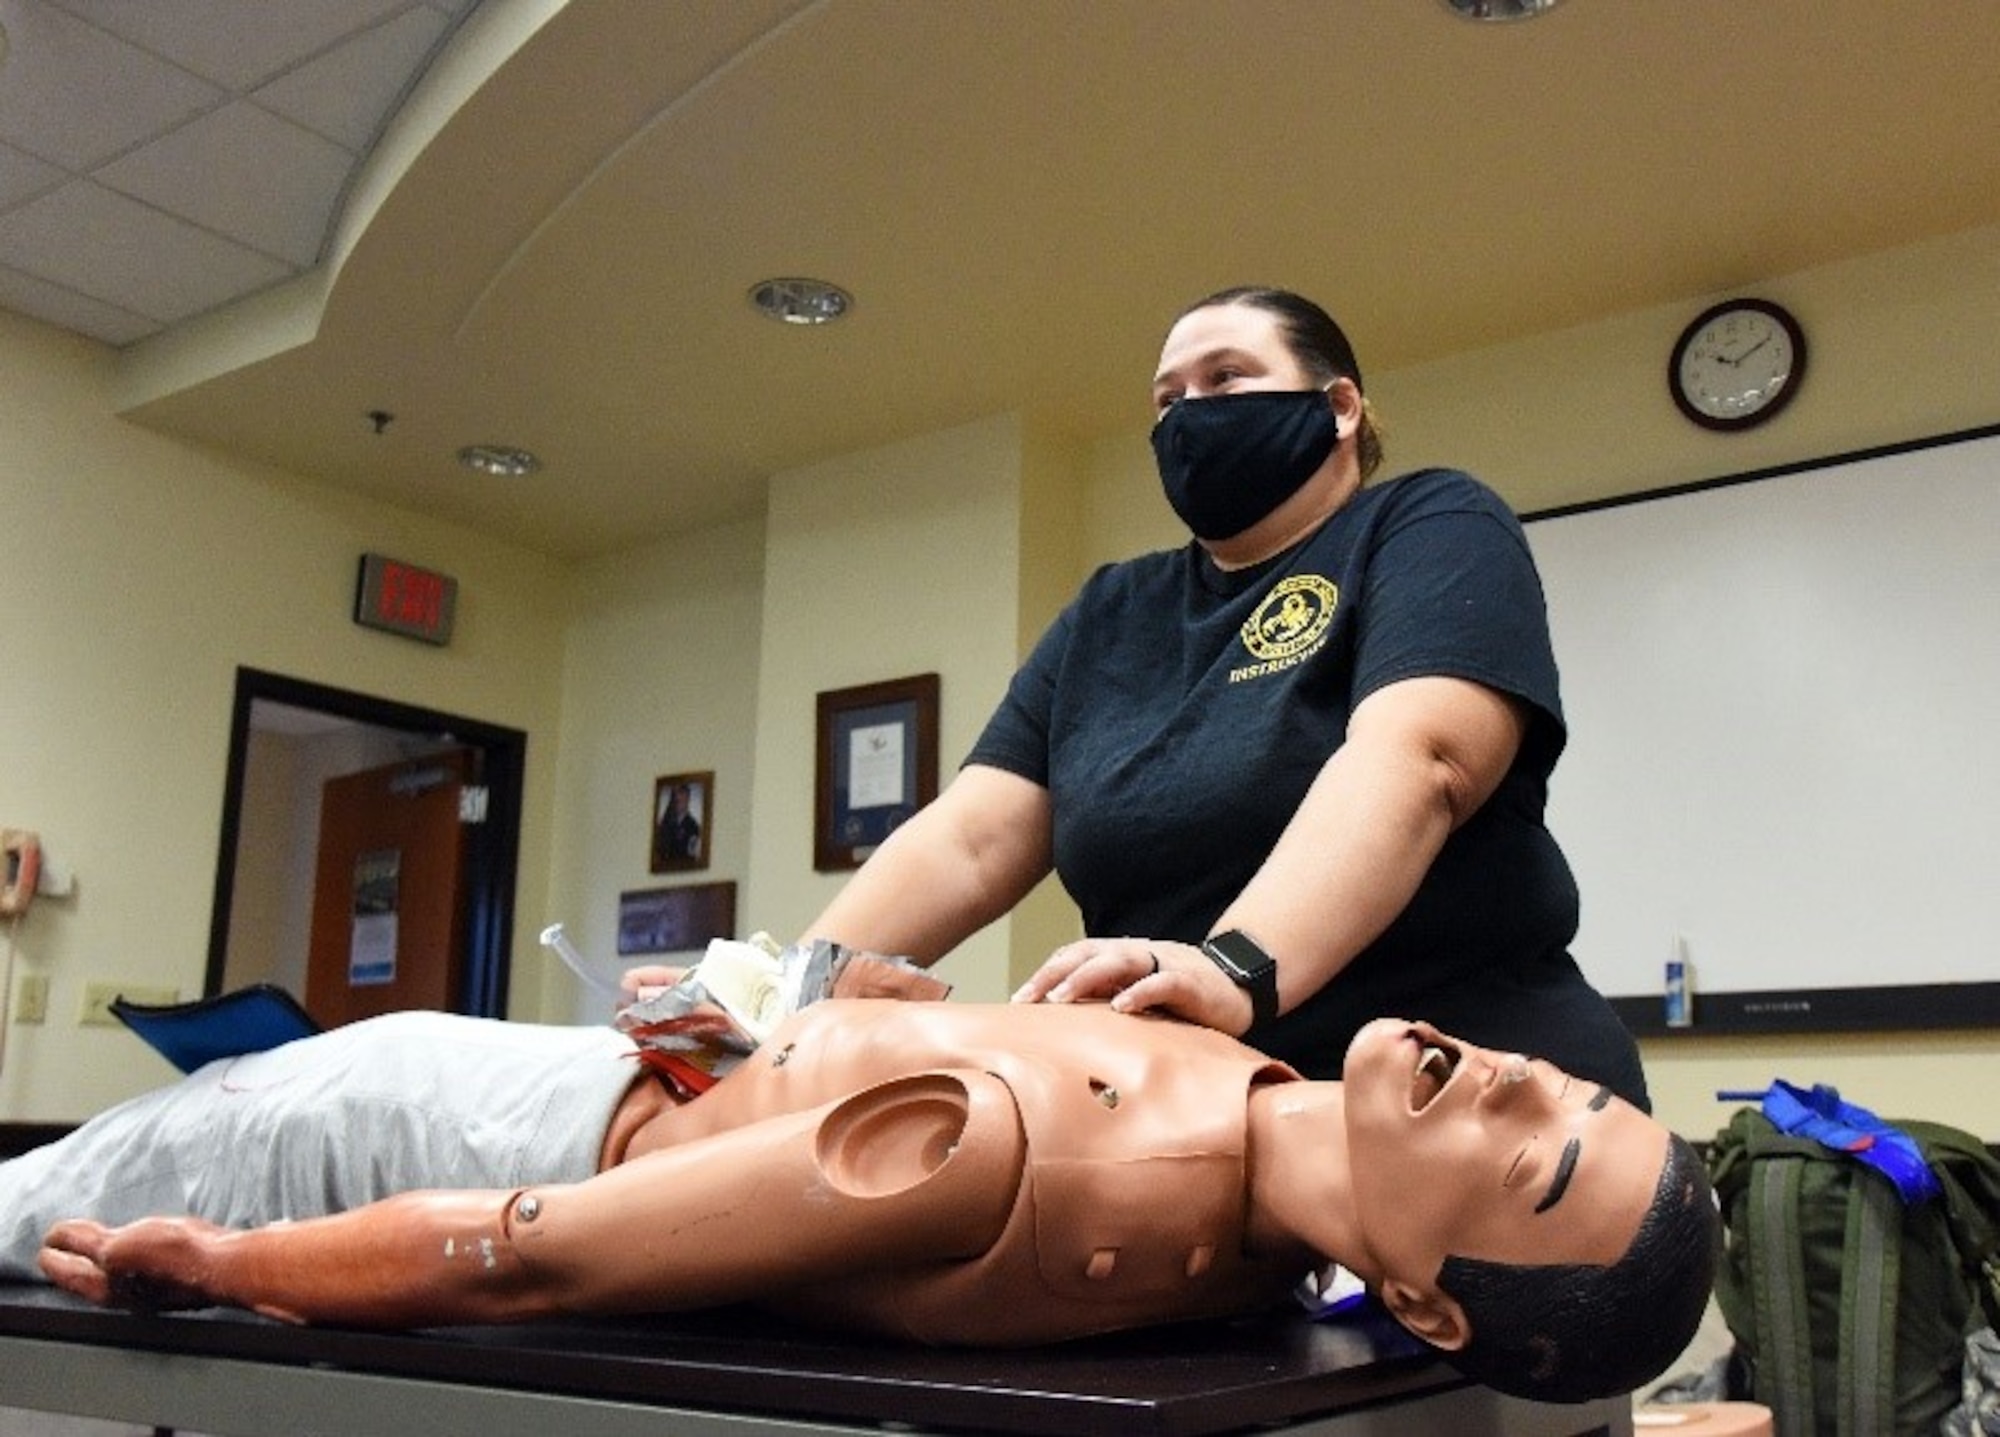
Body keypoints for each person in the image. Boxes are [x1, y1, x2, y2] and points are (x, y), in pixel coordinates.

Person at [780, 285, 1647, 1106]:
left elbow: (1420, 759)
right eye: (1167, 398)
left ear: (1340, 406)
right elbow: (968, 840)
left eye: (1226, 377)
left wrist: (1232, 969)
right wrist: (777, 1002)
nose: (1189, 411)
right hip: (1206, 1111)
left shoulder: (1427, 523)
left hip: (1467, 1093)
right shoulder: (1109, 612)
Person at [15, 1000, 1712, 1403]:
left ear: (1424, 1299)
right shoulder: (1249, 1114)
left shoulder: (1036, 1160)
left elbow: (529, 1262)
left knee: (28, 1201)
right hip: (578, 1072)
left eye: (1534, 1155)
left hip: (444, 1129)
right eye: (1568, 1082)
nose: (1506, 1075)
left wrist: (237, 1260)